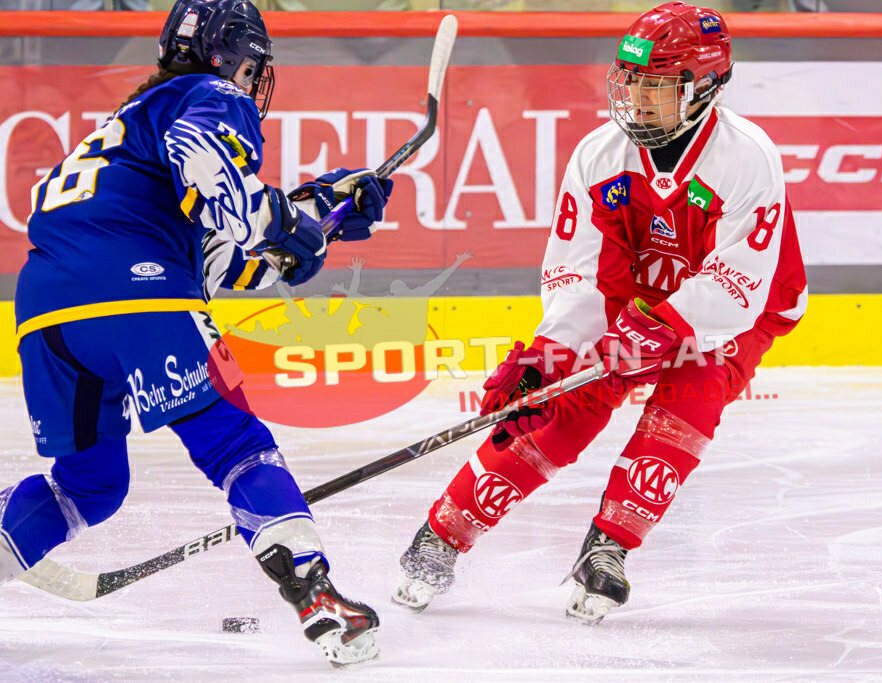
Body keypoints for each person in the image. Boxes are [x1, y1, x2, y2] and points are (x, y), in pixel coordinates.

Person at [0, 0, 392, 666]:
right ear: (229, 54)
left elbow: (220, 261)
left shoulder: (128, 122)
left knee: (89, 484)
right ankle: (316, 593)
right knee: (237, 444)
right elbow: (210, 167)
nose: (253, 79)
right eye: (251, 64)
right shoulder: (209, 95)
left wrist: (318, 215)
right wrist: (275, 222)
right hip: (136, 286)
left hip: (43, 312)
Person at [393, 1, 808, 625]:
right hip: (631, 298)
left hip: (731, 315)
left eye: (659, 85)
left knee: (686, 402)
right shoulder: (599, 153)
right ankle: (441, 536)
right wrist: (549, 356)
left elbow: (738, 283)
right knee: (559, 414)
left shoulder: (748, 157)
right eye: (633, 80)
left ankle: (608, 549)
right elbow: (576, 270)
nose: (639, 98)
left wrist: (661, 329)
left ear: (704, 87)